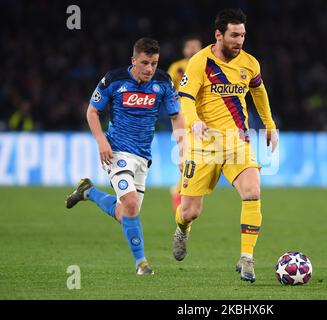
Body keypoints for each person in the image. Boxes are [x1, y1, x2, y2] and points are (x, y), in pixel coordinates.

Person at [173, 8, 278, 283]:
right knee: (190, 211)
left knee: (253, 190)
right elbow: (184, 97)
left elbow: (258, 90)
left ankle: (247, 258)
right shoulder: (199, 62)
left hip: (236, 142)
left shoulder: (249, 63)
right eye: (233, 35)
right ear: (218, 35)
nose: (239, 41)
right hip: (203, 144)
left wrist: (269, 124)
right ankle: (182, 229)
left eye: (242, 35)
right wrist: (193, 121)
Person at [65, 38, 184, 276]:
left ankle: (88, 192)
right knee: (130, 203)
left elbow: (176, 115)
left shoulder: (163, 82)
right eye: (145, 63)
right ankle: (142, 264)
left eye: (154, 63)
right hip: (116, 151)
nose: (150, 69)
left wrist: (182, 147)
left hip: (143, 157)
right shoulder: (114, 80)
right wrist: (101, 141)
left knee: (127, 213)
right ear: (134, 61)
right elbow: (92, 111)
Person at [167, 35, 203, 212]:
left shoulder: (206, 64)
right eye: (190, 47)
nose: (193, 50)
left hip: (203, 117)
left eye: (196, 47)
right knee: (188, 155)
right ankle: (180, 194)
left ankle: (180, 191)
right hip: (183, 117)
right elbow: (168, 90)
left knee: (196, 157)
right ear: (184, 50)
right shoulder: (177, 67)